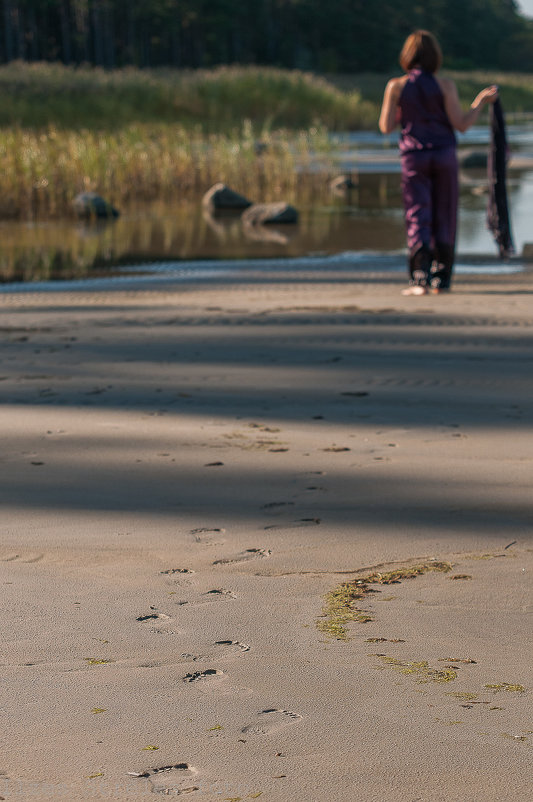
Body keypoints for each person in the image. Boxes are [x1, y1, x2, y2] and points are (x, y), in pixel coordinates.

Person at [379, 30, 498, 295]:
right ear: (435, 57)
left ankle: (419, 278)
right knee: (445, 214)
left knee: (417, 213)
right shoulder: (445, 85)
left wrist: (404, 112)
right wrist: (480, 101)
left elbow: (386, 126)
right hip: (444, 154)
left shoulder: (395, 86)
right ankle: (441, 279)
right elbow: (462, 125)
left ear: (407, 56)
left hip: (414, 158)